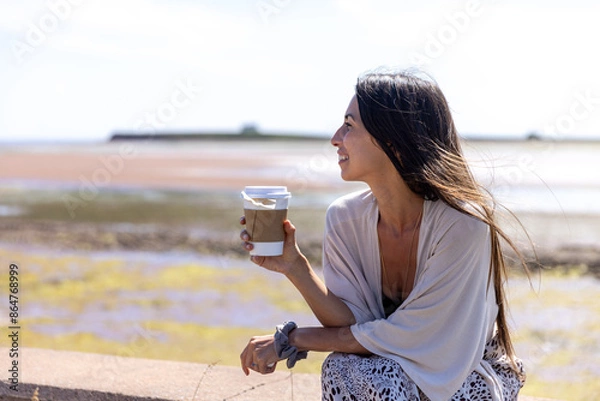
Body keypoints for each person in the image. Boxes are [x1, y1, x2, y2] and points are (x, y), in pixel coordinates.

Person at [239, 69, 527, 401]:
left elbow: (415, 338)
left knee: (371, 371)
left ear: (394, 142)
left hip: (464, 372)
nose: (335, 138)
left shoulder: (463, 226)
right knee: (347, 367)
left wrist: (292, 338)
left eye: (349, 126)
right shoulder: (344, 217)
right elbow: (354, 324)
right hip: (389, 368)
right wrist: (294, 267)